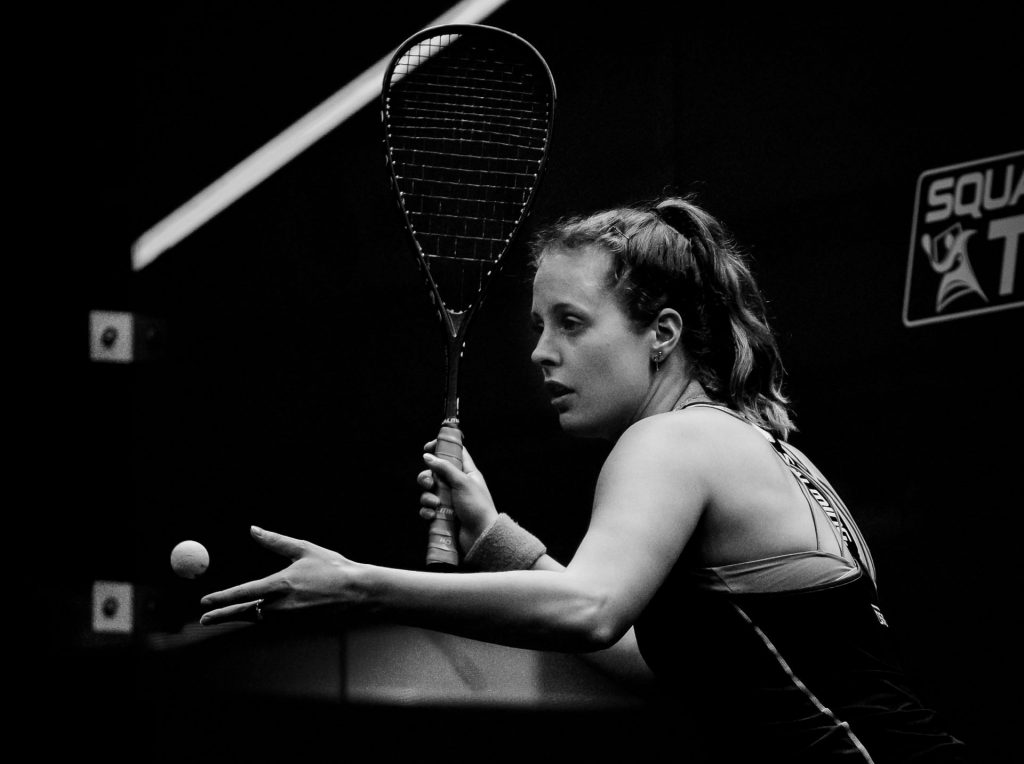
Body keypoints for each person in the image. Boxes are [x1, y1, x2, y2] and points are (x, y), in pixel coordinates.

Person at [200, 195, 968, 761]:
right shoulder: (768, 452)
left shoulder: (668, 442)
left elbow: (590, 610)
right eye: (539, 325)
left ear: (662, 334)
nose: (540, 351)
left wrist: (356, 584)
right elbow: (662, 660)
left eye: (570, 322)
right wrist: (496, 537)